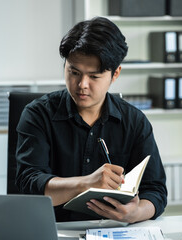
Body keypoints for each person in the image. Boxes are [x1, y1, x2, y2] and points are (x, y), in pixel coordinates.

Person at [15, 17, 167, 223]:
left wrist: (136, 213)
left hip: (114, 230)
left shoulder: (134, 121)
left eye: (94, 77)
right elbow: (29, 185)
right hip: (53, 229)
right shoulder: (37, 115)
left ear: (115, 74)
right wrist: (86, 183)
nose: (82, 85)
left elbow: (155, 190)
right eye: (74, 72)